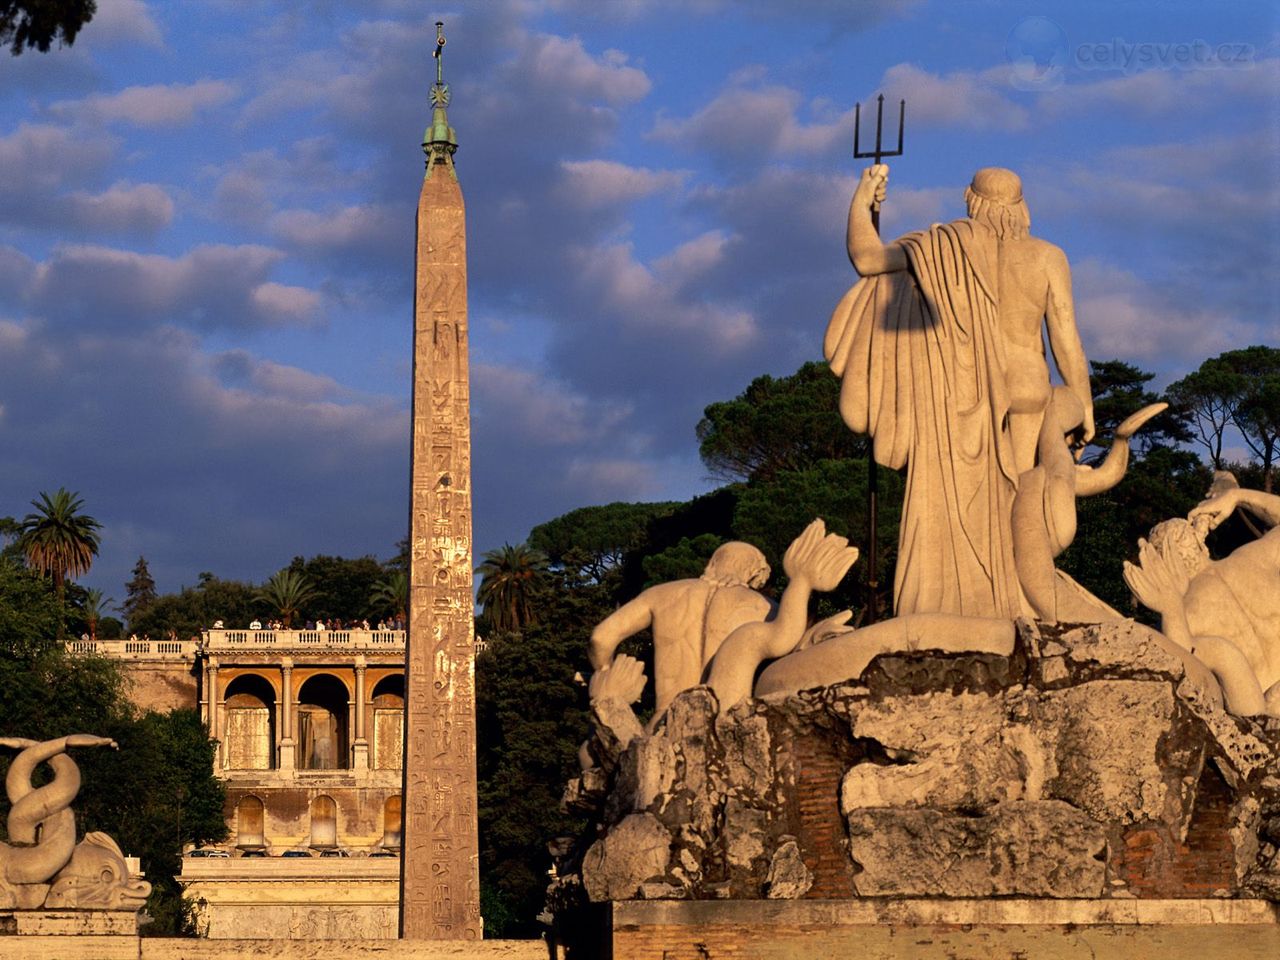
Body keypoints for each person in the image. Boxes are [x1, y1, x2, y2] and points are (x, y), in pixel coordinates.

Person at [825, 164, 1093, 619]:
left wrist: (863, 197)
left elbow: (866, 258)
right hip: (1028, 391)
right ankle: (1016, 605)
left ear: (972, 200)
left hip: (966, 394)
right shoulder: (1048, 257)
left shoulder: (944, 248)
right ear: (1022, 208)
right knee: (1019, 506)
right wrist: (1084, 404)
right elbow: (1066, 338)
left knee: (972, 503)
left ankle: (975, 601)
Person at [1125, 480, 1280, 717]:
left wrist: (1169, 611)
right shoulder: (1253, 557)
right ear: (1201, 545)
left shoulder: (1182, 617)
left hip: (1263, 714)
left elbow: (1184, 670)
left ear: (1161, 568)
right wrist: (1237, 496)